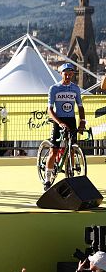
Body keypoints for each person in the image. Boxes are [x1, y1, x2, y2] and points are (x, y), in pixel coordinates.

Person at [43, 62, 86, 191]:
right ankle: (47, 178)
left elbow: (80, 106)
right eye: (65, 74)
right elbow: (50, 110)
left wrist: (82, 121)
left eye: (70, 74)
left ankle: (70, 174)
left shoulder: (75, 88)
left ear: (73, 74)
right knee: (54, 150)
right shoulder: (54, 88)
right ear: (61, 74)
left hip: (71, 120)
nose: (68, 76)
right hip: (58, 120)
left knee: (71, 149)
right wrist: (59, 122)